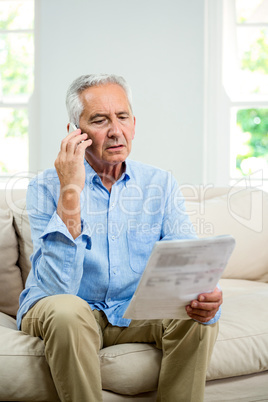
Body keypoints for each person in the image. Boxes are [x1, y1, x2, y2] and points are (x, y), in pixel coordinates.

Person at [17, 74, 222, 402]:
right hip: (66, 309)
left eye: (122, 117)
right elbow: (57, 288)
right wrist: (71, 188)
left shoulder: (160, 183)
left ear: (134, 123)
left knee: (196, 314)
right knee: (68, 310)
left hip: (132, 308)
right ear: (75, 133)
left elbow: (185, 263)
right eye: (100, 119)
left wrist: (204, 294)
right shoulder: (45, 187)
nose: (115, 130)